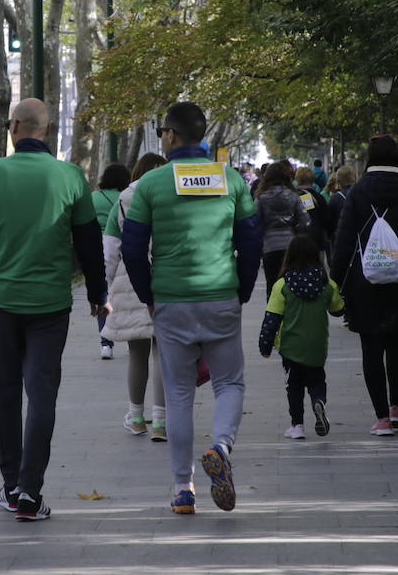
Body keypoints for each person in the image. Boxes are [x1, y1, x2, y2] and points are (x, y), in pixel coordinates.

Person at [0, 98, 107, 523]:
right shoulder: (70, 177)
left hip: (1, 301)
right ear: (45, 130)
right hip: (50, 303)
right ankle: (30, 490)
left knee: (5, 394)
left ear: (13, 127)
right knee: (42, 394)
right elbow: (88, 243)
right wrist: (97, 293)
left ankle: (10, 484)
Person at [121, 102, 262, 515]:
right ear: (203, 135)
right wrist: (244, 288)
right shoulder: (232, 180)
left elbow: (132, 247)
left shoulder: (151, 185)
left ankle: (183, 488)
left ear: (169, 135)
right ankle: (221, 446)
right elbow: (251, 239)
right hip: (221, 295)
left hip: (171, 300)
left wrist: (150, 294)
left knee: (179, 393)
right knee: (229, 384)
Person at [330, 135, 398, 436]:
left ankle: (381, 418)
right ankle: (397, 407)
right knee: (395, 342)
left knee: (371, 347)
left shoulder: (358, 191)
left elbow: (344, 240)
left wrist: (335, 281)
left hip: (364, 281)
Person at [101, 152, 169, 441]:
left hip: (130, 282)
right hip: (167, 278)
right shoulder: (171, 192)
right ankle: (162, 422)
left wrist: (103, 287)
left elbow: (110, 249)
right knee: (163, 354)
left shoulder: (124, 199)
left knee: (137, 352)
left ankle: (136, 416)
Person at [258, 233, 344, 440]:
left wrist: (265, 346)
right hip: (317, 344)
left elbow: (272, 317)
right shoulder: (326, 283)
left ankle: (297, 425)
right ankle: (319, 401)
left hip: (290, 345)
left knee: (294, 386)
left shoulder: (282, 285)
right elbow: (338, 309)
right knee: (316, 379)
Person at [254, 161, 309, 300]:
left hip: (269, 246)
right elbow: (306, 221)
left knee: (272, 286)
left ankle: (273, 316)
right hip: (290, 246)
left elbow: (254, 223)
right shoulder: (294, 196)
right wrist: (295, 231)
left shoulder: (261, 197)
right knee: (291, 284)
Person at [92, 163, 131, 359]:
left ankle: (105, 343)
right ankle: (129, 335)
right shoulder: (126, 198)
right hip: (123, 250)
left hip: (98, 251)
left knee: (103, 296)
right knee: (124, 295)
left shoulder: (93, 198)